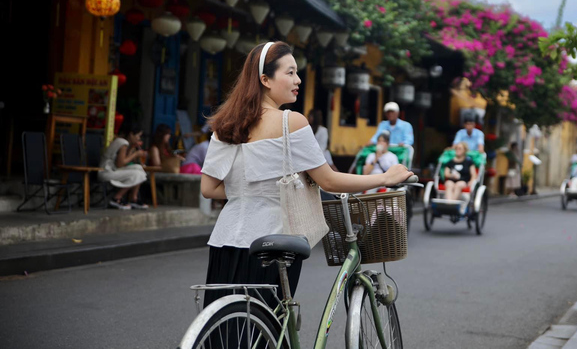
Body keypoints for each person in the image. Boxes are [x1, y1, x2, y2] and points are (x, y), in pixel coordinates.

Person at [200, 42, 413, 308]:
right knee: (269, 327)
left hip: (226, 240)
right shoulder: (291, 122)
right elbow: (329, 181)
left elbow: (208, 188)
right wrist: (386, 178)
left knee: (228, 328)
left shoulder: (225, 124)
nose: (297, 79)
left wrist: (249, 190)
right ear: (265, 79)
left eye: (296, 73)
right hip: (274, 240)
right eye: (289, 73)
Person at [98, 122, 149, 210]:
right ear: (131, 134)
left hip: (113, 170)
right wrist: (136, 154)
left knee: (138, 168)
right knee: (136, 174)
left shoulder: (122, 142)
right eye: (138, 135)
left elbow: (123, 161)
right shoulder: (123, 142)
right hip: (106, 172)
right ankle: (116, 198)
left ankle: (134, 198)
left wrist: (133, 148)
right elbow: (120, 164)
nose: (139, 138)